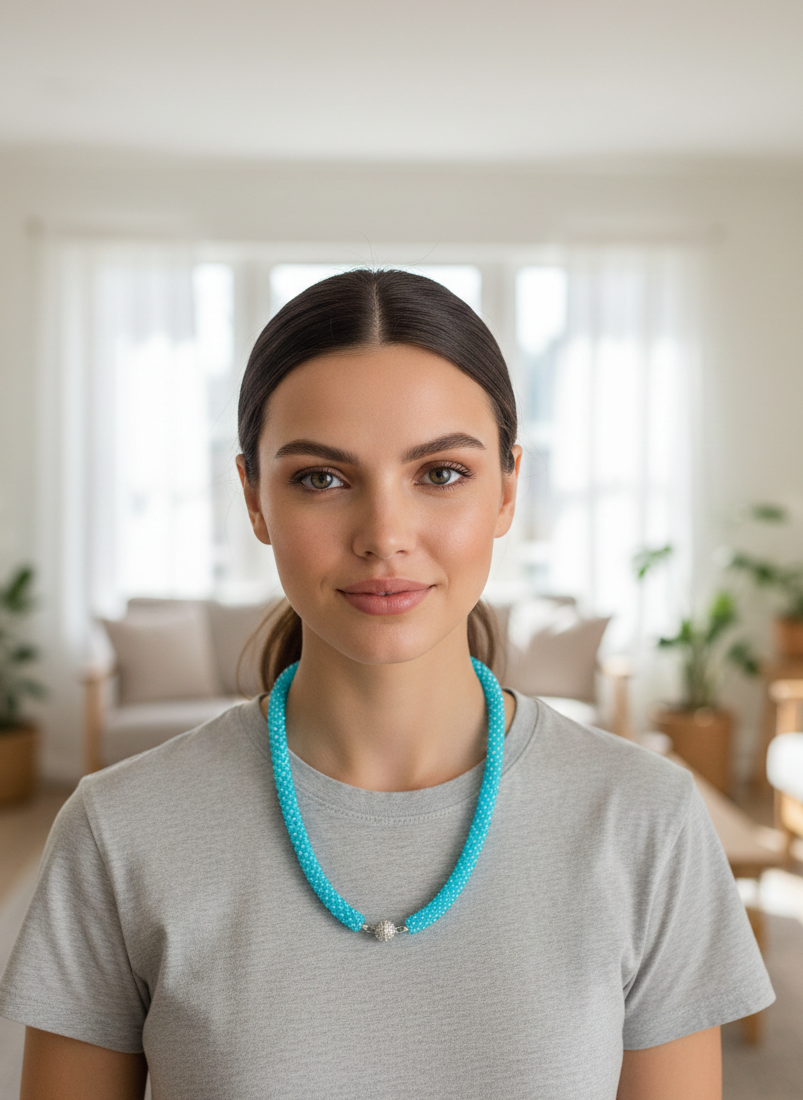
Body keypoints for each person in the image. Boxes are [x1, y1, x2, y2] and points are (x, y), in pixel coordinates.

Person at [0, 270, 774, 1099]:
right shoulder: (118, 831)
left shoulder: (645, 821)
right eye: (320, 478)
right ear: (253, 500)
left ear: (508, 486)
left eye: (439, 473)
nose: (384, 536)